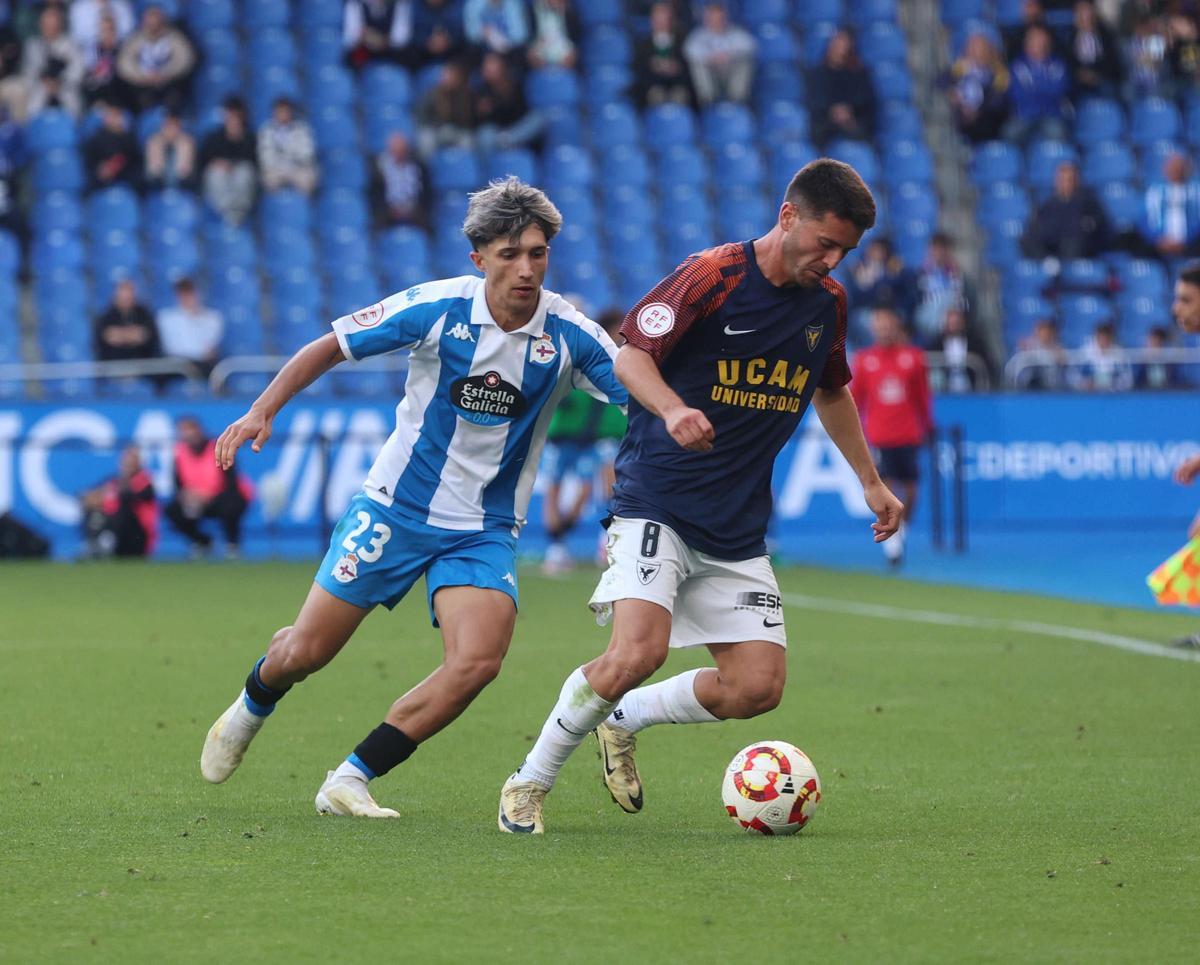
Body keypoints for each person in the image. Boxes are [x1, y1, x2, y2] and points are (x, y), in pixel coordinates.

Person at [198, 178, 628, 819]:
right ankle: (253, 701)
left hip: (483, 528)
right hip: (393, 510)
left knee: (478, 660)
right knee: (305, 652)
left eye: (537, 253)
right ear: (478, 257)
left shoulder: (569, 334)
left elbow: (639, 393)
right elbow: (333, 344)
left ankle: (351, 776)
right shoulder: (438, 308)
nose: (526, 268)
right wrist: (262, 410)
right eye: (510, 254)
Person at [496, 159, 901, 834]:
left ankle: (623, 716)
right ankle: (528, 783)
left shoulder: (826, 302)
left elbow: (830, 388)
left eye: (844, 252)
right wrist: (673, 409)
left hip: (737, 523)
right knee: (636, 652)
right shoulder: (713, 275)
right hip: (658, 497)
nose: (832, 260)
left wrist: (870, 479)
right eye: (824, 243)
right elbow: (630, 354)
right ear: (787, 216)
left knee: (757, 688)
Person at [850, 307, 932, 568]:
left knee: (911, 490)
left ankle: (902, 527)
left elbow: (922, 396)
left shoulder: (914, 358)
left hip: (908, 434)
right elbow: (854, 401)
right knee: (885, 488)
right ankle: (892, 542)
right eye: (879, 325)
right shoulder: (864, 360)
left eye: (887, 325)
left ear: (896, 326)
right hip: (880, 435)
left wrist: (927, 426)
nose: (883, 330)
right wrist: (854, 434)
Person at [165, 416, 250, 560]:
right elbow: (178, 485)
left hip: (221, 497)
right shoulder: (180, 453)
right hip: (195, 500)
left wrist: (207, 496)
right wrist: (187, 496)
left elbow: (230, 482)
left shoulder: (217, 447)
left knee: (231, 505)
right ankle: (202, 541)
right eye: (182, 431)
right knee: (172, 510)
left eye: (189, 429)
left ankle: (232, 545)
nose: (187, 434)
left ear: (199, 430)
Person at [1022, 160, 1111, 261]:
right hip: (1052, 248)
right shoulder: (1048, 205)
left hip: (1077, 249)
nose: (1065, 183)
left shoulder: (1088, 203)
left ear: (1076, 181)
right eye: (1061, 179)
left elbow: (1097, 226)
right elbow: (1039, 229)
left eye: (1069, 179)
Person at [79, 444, 157, 559]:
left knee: (124, 506)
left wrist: (113, 492)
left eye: (131, 461)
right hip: (115, 530)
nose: (127, 465)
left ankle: (106, 541)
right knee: (91, 505)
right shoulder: (114, 481)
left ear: (138, 463)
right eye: (125, 461)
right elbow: (92, 494)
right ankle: (95, 543)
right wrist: (94, 498)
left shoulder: (145, 482)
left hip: (137, 536)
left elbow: (132, 496)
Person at [115, 3, 194, 112]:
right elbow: (124, 63)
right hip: (142, 83)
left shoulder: (173, 37)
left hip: (168, 81)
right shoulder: (136, 39)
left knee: (175, 97)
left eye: (156, 21)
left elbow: (185, 59)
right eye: (150, 21)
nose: (153, 24)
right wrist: (143, 76)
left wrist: (165, 73)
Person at [807, 28, 876, 147]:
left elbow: (865, 99)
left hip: (853, 120)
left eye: (842, 44)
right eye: (836, 43)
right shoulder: (819, 73)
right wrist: (833, 111)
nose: (838, 48)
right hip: (826, 122)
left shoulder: (858, 73)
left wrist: (848, 111)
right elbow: (815, 99)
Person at [1003, 24, 1070, 145]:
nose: (1039, 44)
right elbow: (1017, 94)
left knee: (1058, 134)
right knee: (1009, 135)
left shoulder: (1058, 65)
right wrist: (1044, 86)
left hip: (1051, 114)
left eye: (1042, 39)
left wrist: (1033, 87)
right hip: (1024, 114)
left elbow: (1059, 90)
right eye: (1035, 39)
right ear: (1027, 43)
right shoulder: (1017, 65)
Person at [682, 1, 755, 108]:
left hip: (730, 71)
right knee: (698, 65)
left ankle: (738, 102)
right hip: (710, 72)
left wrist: (730, 56)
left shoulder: (735, 33)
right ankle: (707, 101)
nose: (716, 22)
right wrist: (711, 58)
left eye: (720, 18)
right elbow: (690, 51)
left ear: (725, 19)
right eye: (713, 18)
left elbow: (750, 46)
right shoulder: (698, 35)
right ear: (706, 19)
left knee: (745, 62)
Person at [942, 31, 1010, 144]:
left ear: (988, 51)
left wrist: (977, 110)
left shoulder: (998, 73)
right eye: (971, 48)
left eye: (978, 48)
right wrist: (951, 92)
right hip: (958, 118)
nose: (973, 52)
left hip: (985, 122)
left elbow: (999, 100)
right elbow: (940, 83)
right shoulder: (959, 69)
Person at [199, 95, 256, 226]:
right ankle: (228, 214)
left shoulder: (249, 138)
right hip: (221, 183)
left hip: (240, 179)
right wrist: (218, 163)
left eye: (236, 116)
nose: (233, 120)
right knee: (216, 174)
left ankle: (236, 214)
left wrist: (233, 165)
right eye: (230, 115)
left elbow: (253, 162)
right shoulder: (214, 138)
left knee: (244, 173)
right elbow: (205, 161)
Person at [155, 276, 224, 378]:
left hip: (202, 364)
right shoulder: (165, 318)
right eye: (183, 293)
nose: (187, 296)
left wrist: (197, 317)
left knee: (216, 372)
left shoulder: (213, 317)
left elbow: (209, 350)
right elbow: (171, 347)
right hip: (177, 364)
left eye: (190, 292)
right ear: (177, 295)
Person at [473, 51, 541, 154]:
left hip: (516, 131)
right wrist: (483, 113)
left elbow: (521, 112)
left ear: (502, 66)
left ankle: (507, 140)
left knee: (538, 118)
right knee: (485, 134)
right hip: (496, 133)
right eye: (485, 64)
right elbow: (480, 123)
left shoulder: (516, 83)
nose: (487, 67)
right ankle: (490, 167)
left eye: (492, 64)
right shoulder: (481, 90)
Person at [22, 4, 84, 117]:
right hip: (40, 87)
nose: (49, 28)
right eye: (46, 24)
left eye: (53, 24)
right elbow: (29, 71)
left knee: (73, 108)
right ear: (41, 25)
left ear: (60, 25)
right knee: (32, 109)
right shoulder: (33, 45)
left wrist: (60, 82)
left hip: (65, 87)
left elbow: (78, 70)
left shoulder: (70, 44)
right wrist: (44, 83)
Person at [634, 0, 693, 108]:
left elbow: (689, 69)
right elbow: (639, 71)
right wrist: (654, 68)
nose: (661, 23)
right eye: (658, 19)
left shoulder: (682, 43)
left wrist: (676, 68)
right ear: (652, 21)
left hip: (678, 87)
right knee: (655, 95)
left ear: (671, 20)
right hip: (653, 88)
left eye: (664, 19)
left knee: (681, 96)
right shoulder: (643, 46)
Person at [1142, 153, 1200, 261]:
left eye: (1179, 167)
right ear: (1165, 169)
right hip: (1160, 245)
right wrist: (1158, 239)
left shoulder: (1196, 191)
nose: (1176, 171)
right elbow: (1144, 220)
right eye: (1172, 167)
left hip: (1191, 244)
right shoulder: (1154, 191)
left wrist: (1186, 240)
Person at [93, 277, 160, 367]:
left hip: (142, 367)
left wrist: (120, 335)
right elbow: (106, 336)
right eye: (123, 292)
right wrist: (132, 334)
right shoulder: (106, 316)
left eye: (129, 292)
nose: (127, 297)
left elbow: (146, 335)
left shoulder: (144, 313)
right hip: (113, 367)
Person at [257, 97, 317, 195]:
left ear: (291, 112)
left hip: (297, 168)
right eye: (280, 111)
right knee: (268, 180)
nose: (283, 114)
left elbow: (307, 153)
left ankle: (303, 207)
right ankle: (276, 208)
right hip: (276, 169)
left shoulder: (302, 129)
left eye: (286, 111)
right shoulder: (266, 130)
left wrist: (289, 157)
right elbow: (265, 156)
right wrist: (282, 160)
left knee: (308, 179)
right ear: (274, 113)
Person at [415, 59, 474, 159]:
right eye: (445, 75)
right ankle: (429, 170)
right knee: (426, 140)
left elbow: (467, 120)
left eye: (451, 75)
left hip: (457, 131)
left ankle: (464, 169)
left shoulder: (464, 95)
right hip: (436, 130)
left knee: (468, 141)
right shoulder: (432, 93)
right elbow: (422, 116)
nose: (447, 78)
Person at [373, 130, 429, 228]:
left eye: (402, 149)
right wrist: (391, 209)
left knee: (427, 222)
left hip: (414, 210)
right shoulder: (381, 170)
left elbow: (425, 192)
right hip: (389, 211)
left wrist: (412, 208)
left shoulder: (418, 167)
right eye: (396, 149)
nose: (399, 152)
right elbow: (377, 194)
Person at [83, 98, 140, 192]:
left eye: (117, 115)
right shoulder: (95, 140)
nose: (114, 119)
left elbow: (136, 164)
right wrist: (100, 172)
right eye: (110, 114)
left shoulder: (130, 139)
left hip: (125, 184)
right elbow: (89, 166)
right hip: (100, 185)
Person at [1067, 0, 1121, 98]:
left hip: (1102, 79)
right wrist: (1080, 74)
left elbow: (1113, 63)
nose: (1086, 16)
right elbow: (1068, 62)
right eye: (1081, 13)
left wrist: (1096, 75)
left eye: (1088, 12)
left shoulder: (1106, 35)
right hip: (1078, 81)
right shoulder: (1070, 37)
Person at [343, 0, 418, 69]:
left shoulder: (399, 4)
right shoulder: (356, 3)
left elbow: (400, 38)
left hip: (391, 55)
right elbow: (350, 37)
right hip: (363, 55)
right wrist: (366, 37)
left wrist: (379, 39)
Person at [1070, 320, 1133, 391]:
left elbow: (1128, 379)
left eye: (1107, 338)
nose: (1104, 341)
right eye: (1101, 337)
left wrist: (1113, 384)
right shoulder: (1084, 353)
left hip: (1113, 396)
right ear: (1096, 337)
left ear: (1111, 338)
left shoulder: (1120, 354)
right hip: (1088, 395)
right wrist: (1084, 383)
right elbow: (1072, 375)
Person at [144, 110, 195, 190]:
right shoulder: (154, 143)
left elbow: (190, 179)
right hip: (157, 192)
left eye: (175, 126)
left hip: (182, 192)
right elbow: (149, 178)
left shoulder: (187, 144)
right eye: (168, 126)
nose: (171, 130)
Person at [1014, 317, 1067, 389]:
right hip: (1029, 385)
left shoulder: (1057, 347)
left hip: (1050, 385)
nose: (1045, 334)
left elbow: (1064, 364)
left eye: (1048, 331)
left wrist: (1058, 357)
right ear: (1037, 331)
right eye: (1043, 331)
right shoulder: (1028, 345)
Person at [463, 0, 530, 58]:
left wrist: (503, 42)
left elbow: (521, 36)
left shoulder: (514, 4)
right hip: (482, 52)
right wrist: (487, 34)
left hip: (511, 51)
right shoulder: (473, 5)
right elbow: (472, 34)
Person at [413, 0, 468, 68]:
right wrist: (426, 41)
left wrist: (450, 40)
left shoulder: (461, 5)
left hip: (457, 57)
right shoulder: (414, 5)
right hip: (421, 60)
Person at [527, 0, 579, 70]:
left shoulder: (568, 11)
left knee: (571, 55)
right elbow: (528, 37)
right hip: (540, 46)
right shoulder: (533, 9)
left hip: (563, 47)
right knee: (532, 56)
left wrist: (564, 11)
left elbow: (575, 35)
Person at [1136, 325, 1185, 390]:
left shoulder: (1171, 364)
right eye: (1152, 342)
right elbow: (1138, 384)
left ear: (1162, 344)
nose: (1154, 347)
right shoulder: (1141, 364)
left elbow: (1176, 383)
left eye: (1157, 343)